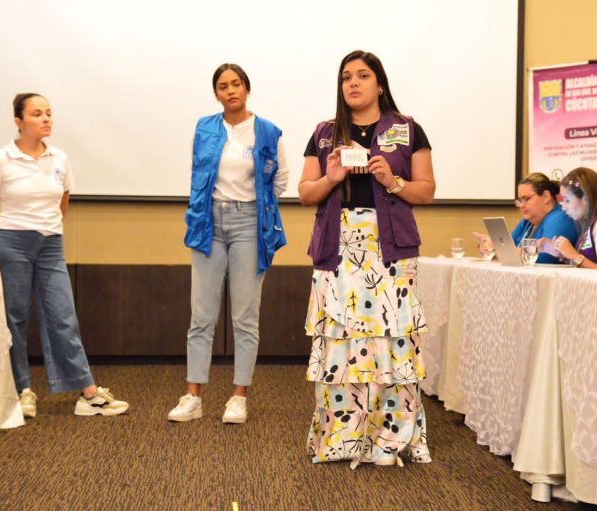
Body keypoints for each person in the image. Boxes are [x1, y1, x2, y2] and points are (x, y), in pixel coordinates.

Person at [298, 50, 435, 467]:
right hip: (338, 249)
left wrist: (392, 181)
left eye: (362, 76)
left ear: (379, 84)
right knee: (342, 342)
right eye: (346, 77)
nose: (353, 83)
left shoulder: (407, 129)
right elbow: (305, 193)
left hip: (389, 250)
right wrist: (331, 178)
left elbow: (426, 190)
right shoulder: (325, 133)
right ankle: (342, 437)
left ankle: (391, 438)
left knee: (392, 341)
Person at [0, 93, 129, 418]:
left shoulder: (59, 158)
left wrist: (46, 227)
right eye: (37, 114)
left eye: (48, 113)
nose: (46, 118)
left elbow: (63, 200)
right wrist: (5, 239)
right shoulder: (1, 158)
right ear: (19, 122)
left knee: (63, 316)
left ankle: (88, 392)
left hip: (50, 244)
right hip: (12, 242)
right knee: (15, 318)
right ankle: (22, 391)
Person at [167, 64, 289, 424]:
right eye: (223, 86)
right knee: (201, 315)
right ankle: (193, 397)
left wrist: (257, 208)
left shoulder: (267, 131)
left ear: (246, 88)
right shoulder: (205, 127)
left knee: (245, 316)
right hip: (209, 223)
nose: (231, 90)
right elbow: (198, 174)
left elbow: (280, 179)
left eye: (236, 84)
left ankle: (238, 397)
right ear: (216, 93)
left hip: (249, 222)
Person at [473, 172, 579, 263]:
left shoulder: (560, 218)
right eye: (519, 201)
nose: (521, 205)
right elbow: (509, 250)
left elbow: (544, 258)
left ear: (546, 196)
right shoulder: (527, 221)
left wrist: (499, 250)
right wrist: (492, 248)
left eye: (526, 199)